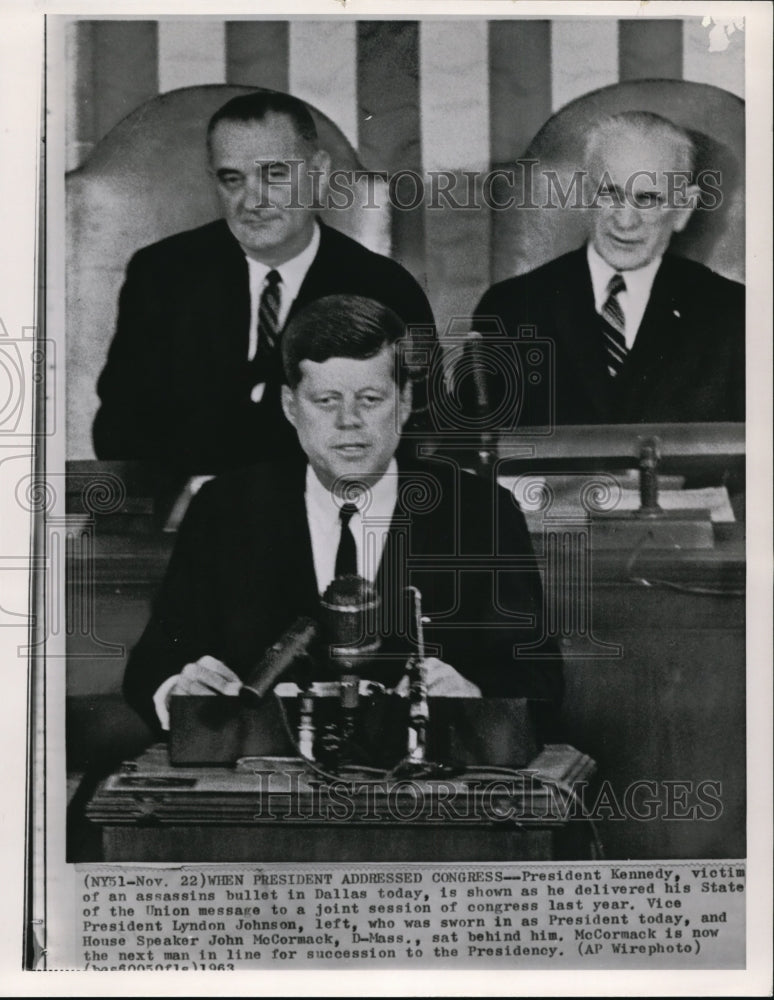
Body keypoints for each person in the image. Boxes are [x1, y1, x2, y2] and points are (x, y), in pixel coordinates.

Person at [122, 295, 563, 735]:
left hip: (423, 788)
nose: (348, 420)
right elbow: (152, 668)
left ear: (405, 402)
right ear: (290, 406)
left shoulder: (480, 512)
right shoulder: (224, 509)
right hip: (266, 788)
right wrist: (178, 690)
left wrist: (473, 696)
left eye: (370, 399)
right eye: (326, 400)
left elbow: (540, 682)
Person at [92, 92, 435, 472]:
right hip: (191, 518)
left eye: (274, 175)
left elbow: (415, 439)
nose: (252, 201)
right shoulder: (163, 275)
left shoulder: (384, 290)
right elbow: (117, 430)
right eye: (232, 179)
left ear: (318, 175)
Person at [465, 111, 745, 426]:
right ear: (586, 194)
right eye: (610, 193)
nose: (625, 222)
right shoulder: (510, 309)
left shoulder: (733, 315)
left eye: (648, 199)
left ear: (683, 208)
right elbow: (474, 457)